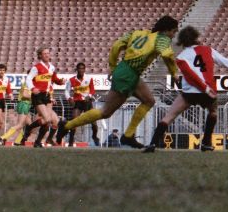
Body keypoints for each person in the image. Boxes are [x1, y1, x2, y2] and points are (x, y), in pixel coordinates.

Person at [56, 15, 180, 148]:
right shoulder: (162, 38)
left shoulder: (138, 32)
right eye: (173, 32)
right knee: (105, 112)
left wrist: (114, 66)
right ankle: (67, 126)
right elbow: (167, 54)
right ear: (167, 30)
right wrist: (175, 74)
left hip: (127, 70)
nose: (173, 35)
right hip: (128, 74)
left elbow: (116, 46)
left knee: (149, 100)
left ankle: (128, 135)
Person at [144, 26, 228, 153]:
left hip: (189, 93)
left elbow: (190, 75)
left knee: (169, 116)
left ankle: (152, 144)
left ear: (182, 41)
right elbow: (227, 62)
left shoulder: (181, 57)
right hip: (207, 91)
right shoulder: (207, 50)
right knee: (213, 112)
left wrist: (202, 87)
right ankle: (206, 143)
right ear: (196, 38)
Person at [22, 47, 65, 148]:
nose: (47, 55)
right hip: (38, 95)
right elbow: (28, 79)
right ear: (40, 55)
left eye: (48, 53)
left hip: (47, 96)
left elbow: (54, 78)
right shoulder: (36, 67)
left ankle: (38, 141)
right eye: (44, 53)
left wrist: (60, 82)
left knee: (53, 121)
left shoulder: (51, 67)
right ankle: (28, 129)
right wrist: (32, 88)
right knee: (46, 119)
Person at [65, 62, 100, 147]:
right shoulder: (71, 80)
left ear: (84, 70)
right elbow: (66, 90)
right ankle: (70, 141)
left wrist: (90, 95)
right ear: (76, 70)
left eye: (82, 68)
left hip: (87, 102)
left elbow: (92, 90)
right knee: (74, 121)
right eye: (79, 68)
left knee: (94, 123)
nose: (81, 70)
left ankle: (94, 136)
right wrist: (69, 98)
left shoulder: (89, 78)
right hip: (77, 103)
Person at [0, 81, 33, 146]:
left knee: (29, 125)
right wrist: (35, 96)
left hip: (26, 104)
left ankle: (17, 142)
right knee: (20, 125)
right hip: (24, 104)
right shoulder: (28, 83)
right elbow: (24, 94)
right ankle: (2, 138)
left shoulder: (31, 84)